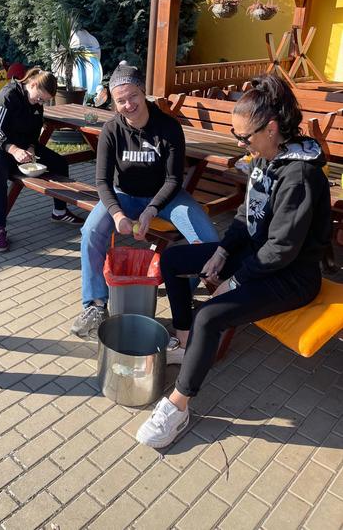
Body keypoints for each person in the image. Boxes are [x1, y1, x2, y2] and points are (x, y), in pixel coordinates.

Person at [136, 74, 332, 448]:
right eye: (236, 135)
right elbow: (246, 216)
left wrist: (235, 280)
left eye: (245, 137)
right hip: (256, 258)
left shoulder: (300, 176)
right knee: (173, 259)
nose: (241, 144)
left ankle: (178, 406)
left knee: (210, 314)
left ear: (271, 128)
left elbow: (282, 249)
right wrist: (223, 251)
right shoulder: (265, 159)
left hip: (292, 276)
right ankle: (185, 342)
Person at [71, 62, 219, 340]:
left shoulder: (169, 127)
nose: (128, 105)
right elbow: (102, 182)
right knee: (91, 231)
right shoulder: (111, 130)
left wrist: (152, 210)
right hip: (124, 196)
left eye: (133, 96)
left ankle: (183, 296)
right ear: (114, 103)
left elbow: (174, 179)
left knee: (209, 240)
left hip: (166, 197)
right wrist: (117, 214)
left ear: (143, 92)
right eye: (121, 101)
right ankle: (95, 305)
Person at [0, 67, 83, 251]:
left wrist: (31, 147)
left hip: (22, 147)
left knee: (59, 163)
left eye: (44, 101)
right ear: (32, 84)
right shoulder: (7, 96)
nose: (40, 103)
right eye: (40, 98)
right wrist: (14, 150)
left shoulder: (36, 103)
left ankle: (59, 211)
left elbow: (35, 130)